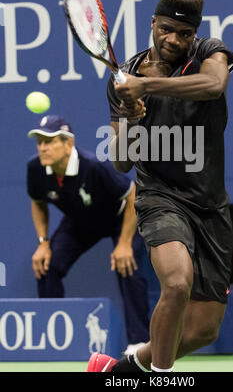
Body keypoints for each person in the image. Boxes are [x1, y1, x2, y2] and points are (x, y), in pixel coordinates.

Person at [87, 0, 233, 373]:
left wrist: (146, 87)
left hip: (209, 204)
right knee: (175, 283)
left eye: (184, 33)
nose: (173, 39)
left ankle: (121, 368)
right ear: (152, 22)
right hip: (159, 197)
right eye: (166, 29)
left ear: (196, 34)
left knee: (204, 330)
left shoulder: (209, 53)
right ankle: (160, 378)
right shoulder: (124, 79)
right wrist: (131, 116)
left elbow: (214, 85)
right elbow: (122, 162)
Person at [27, 115, 150, 353]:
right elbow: (38, 202)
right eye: (40, 141)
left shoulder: (93, 166)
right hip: (80, 222)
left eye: (50, 141)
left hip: (119, 217)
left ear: (68, 144)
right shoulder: (35, 168)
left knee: (128, 267)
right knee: (47, 265)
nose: (43, 147)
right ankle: (53, 342)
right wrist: (43, 242)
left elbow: (133, 194)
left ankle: (140, 343)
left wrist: (124, 243)